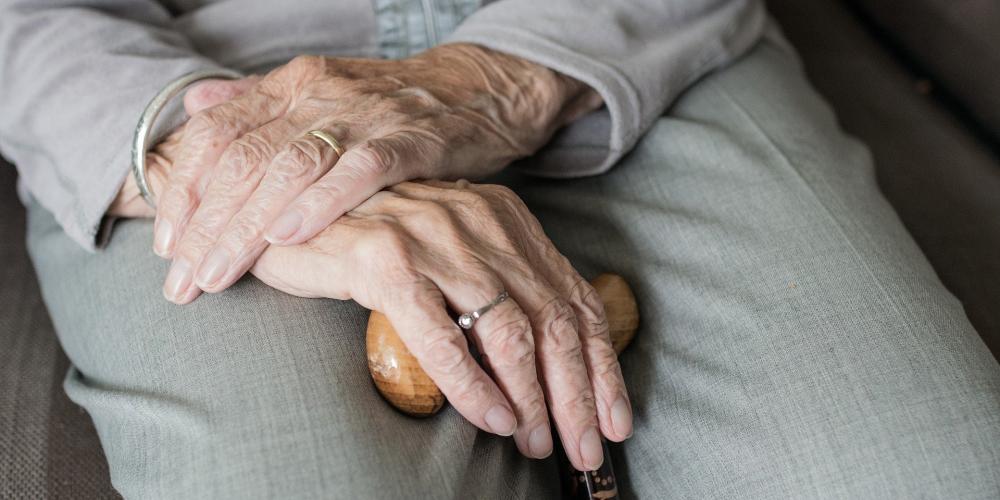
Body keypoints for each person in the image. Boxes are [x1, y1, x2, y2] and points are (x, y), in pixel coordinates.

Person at [2, 0, 998, 498]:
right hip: (188, 72)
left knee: (922, 472)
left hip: (628, 38)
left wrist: (489, 80)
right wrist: (229, 160)